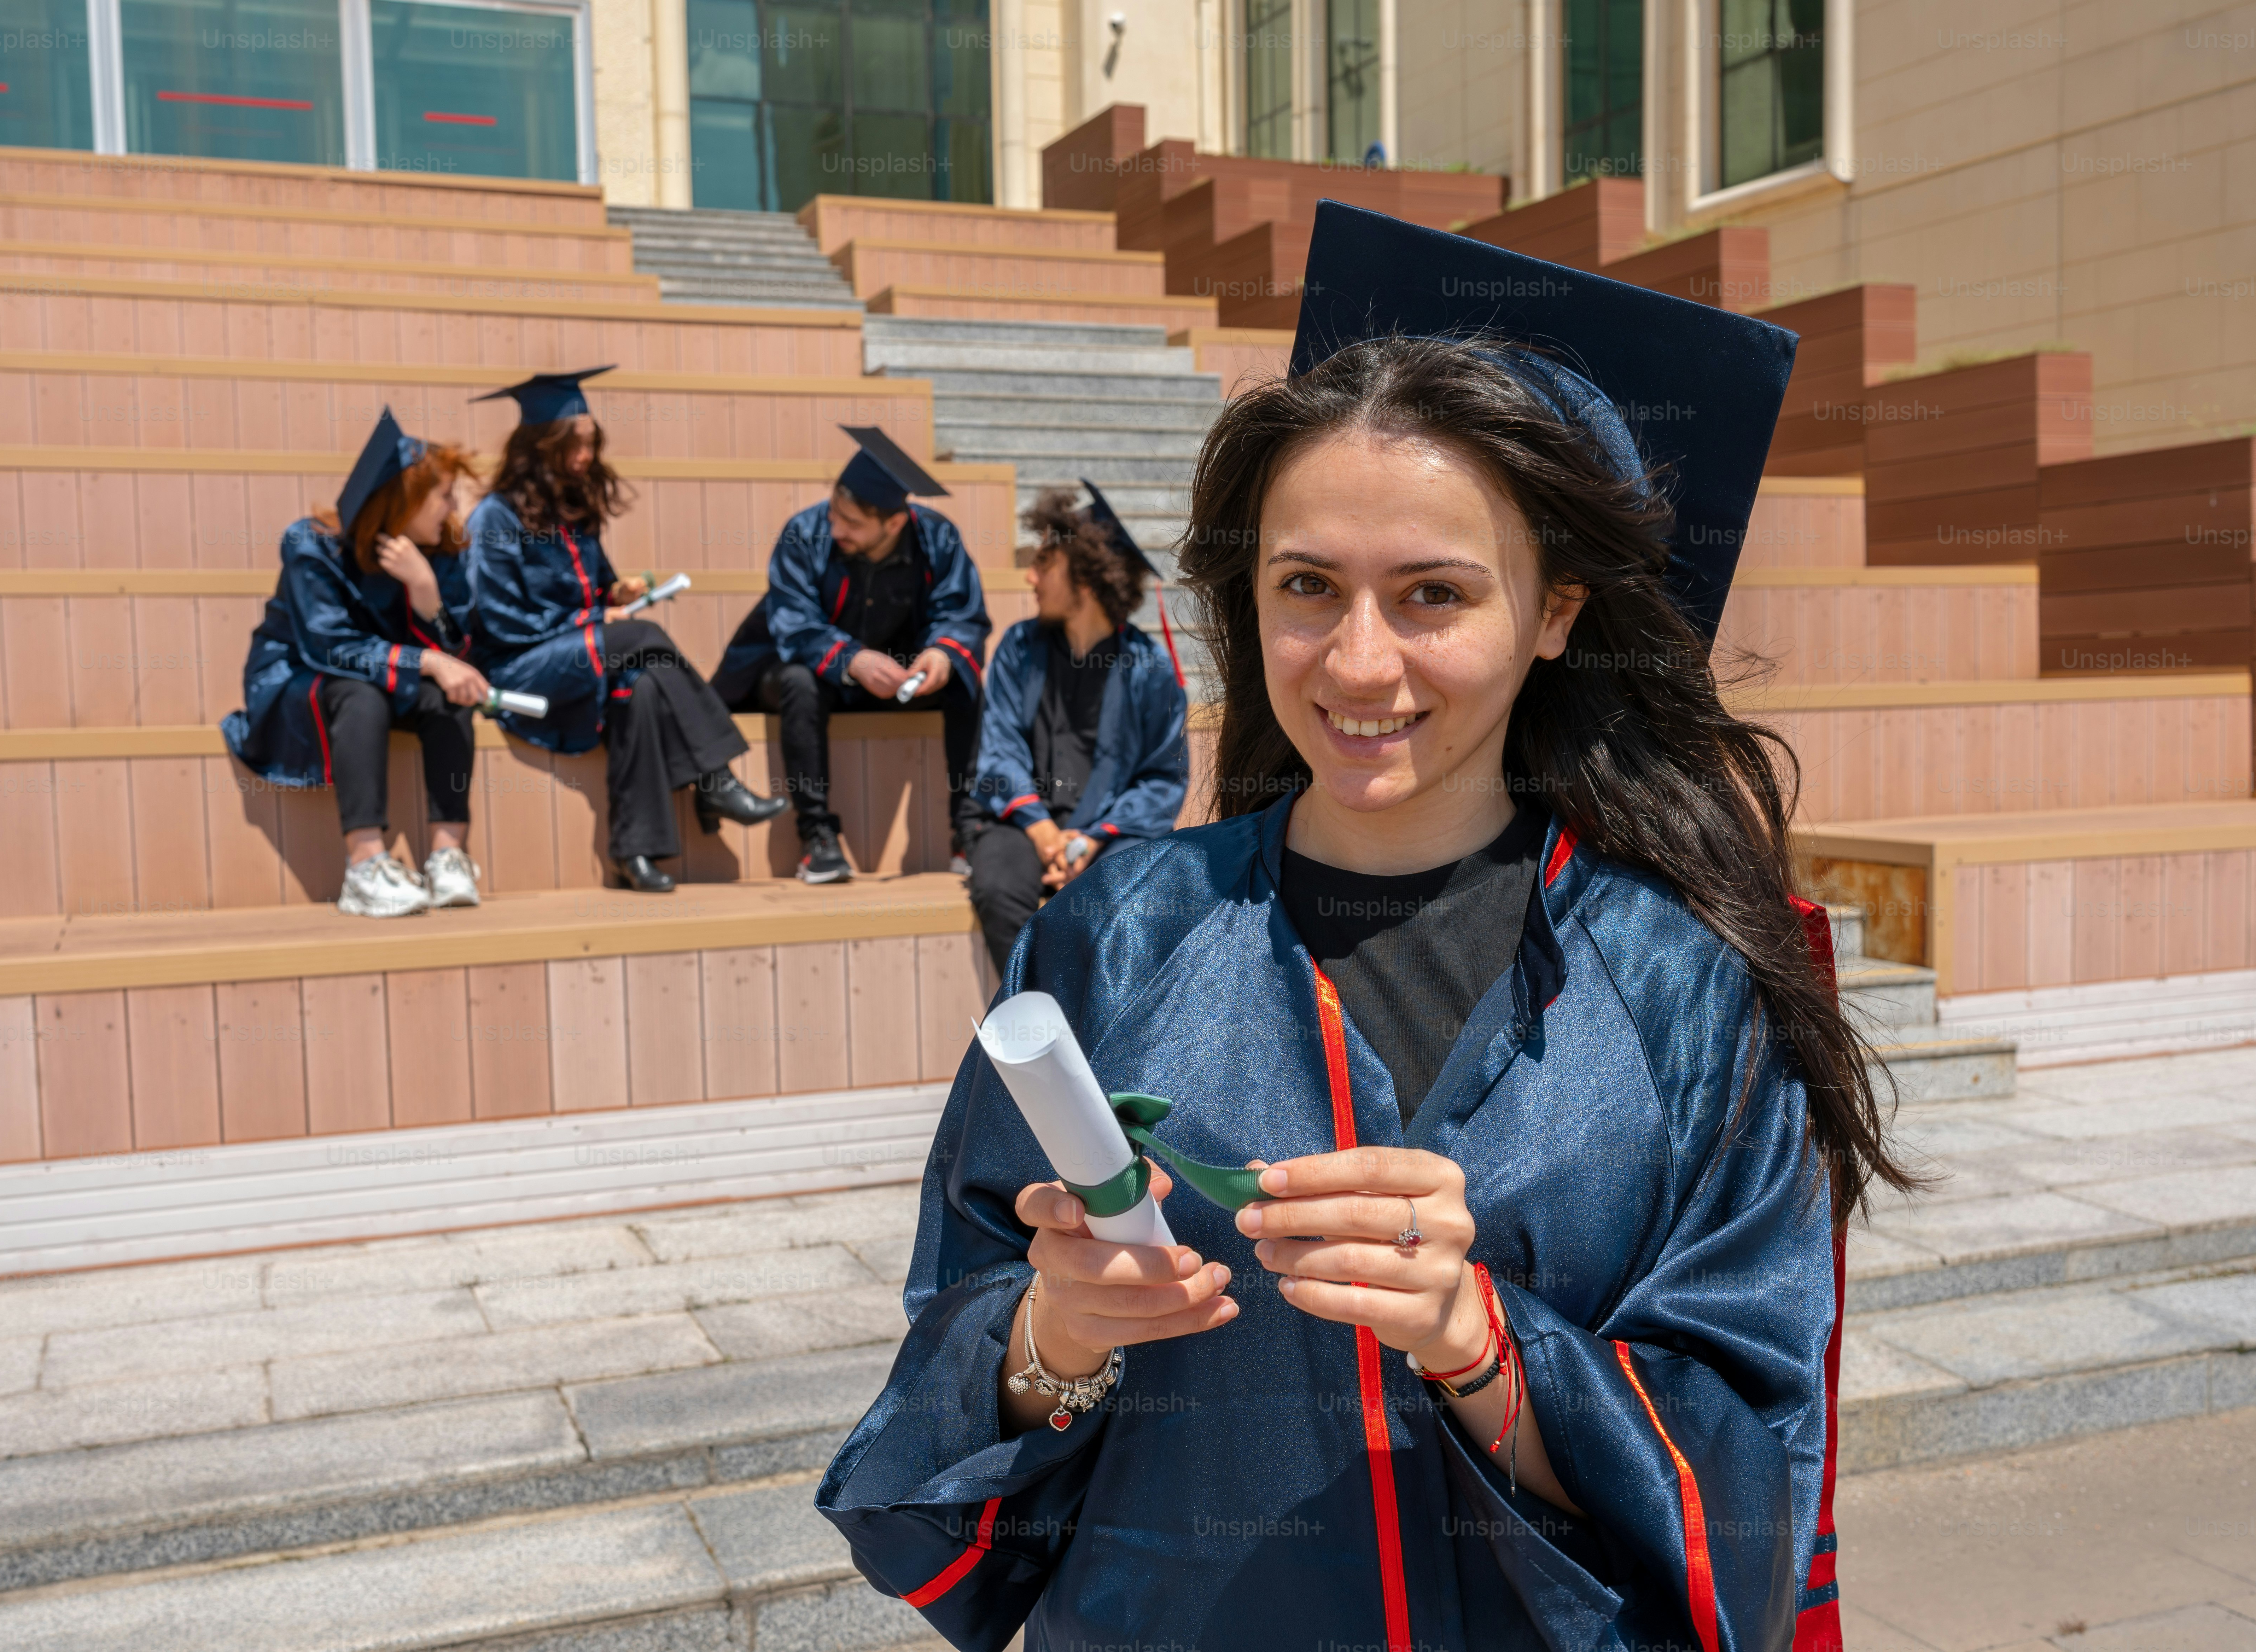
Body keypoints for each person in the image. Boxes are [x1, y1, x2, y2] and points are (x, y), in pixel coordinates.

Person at [816, 204, 1917, 1650]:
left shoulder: (1684, 986)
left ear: (1555, 611)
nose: (1357, 660)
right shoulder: (1115, 940)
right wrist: (1052, 1340)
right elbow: (927, 1460)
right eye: (1308, 588)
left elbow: (1753, 1486)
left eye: (1434, 594)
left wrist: (1486, 1346)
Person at [463, 367, 787, 895]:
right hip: (517, 671)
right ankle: (716, 780)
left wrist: (615, 594)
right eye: (576, 444)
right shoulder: (493, 520)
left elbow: (587, 593)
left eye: (592, 443)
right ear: (540, 448)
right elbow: (498, 619)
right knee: (642, 640)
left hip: (574, 655)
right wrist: (593, 619)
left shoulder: (573, 511)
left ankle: (636, 852)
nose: (588, 456)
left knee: (641, 688)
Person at [223, 409, 492, 919]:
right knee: (362, 693)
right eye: (444, 495)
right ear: (405, 500)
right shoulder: (312, 546)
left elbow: (454, 661)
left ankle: (447, 855)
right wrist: (429, 660)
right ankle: (366, 867)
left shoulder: (438, 552)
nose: (453, 507)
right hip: (301, 678)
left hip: (391, 675)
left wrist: (427, 595)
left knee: (448, 697)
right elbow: (331, 647)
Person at [717, 426, 989, 885]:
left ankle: (970, 829)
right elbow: (793, 621)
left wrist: (942, 654)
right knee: (800, 682)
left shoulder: (937, 538)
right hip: (804, 672)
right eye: (835, 513)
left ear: (895, 523)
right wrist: (852, 660)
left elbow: (960, 612)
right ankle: (817, 838)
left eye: (854, 523)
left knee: (964, 676)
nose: (837, 529)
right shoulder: (805, 533)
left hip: (895, 677)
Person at [965, 481, 1188, 972]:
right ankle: (1035, 1031)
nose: (1031, 578)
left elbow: (1162, 780)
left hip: (1115, 832)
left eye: (1045, 563)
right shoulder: (1019, 649)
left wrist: (1091, 839)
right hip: (1022, 822)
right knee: (998, 888)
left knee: (1124, 893)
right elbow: (999, 750)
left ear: (1085, 580)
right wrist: (1045, 832)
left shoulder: (1150, 672)